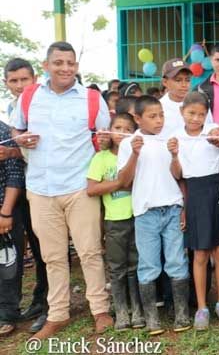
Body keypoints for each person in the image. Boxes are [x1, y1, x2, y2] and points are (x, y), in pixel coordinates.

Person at [12, 41, 112, 340]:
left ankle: (100, 310)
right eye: (58, 63)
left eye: (70, 63)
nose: (65, 68)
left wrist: (106, 143)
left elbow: (105, 138)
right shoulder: (30, 96)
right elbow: (17, 129)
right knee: (52, 256)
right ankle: (57, 314)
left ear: (76, 67)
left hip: (79, 186)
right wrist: (20, 139)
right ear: (46, 66)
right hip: (41, 188)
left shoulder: (92, 99)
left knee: (91, 251)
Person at [116, 95, 191, 335]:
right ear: (137, 118)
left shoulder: (168, 140)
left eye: (161, 115)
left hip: (172, 208)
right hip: (146, 213)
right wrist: (135, 154)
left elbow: (179, 175)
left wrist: (175, 155)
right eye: (152, 116)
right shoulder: (129, 143)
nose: (158, 120)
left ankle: (182, 313)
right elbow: (124, 180)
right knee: (148, 265)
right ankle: (152, 318)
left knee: (177, 262)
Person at [172, 92, 219, 330]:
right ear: (182, 112)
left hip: (218, 190)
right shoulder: (176, 138)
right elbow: (177, 175)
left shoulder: (214, 132)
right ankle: (201, 307)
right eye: (191, 113)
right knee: (199, 253)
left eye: (201, 114)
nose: (196, 118)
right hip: (195, 193)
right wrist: (174, 154)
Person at [1, 58, 48, 333]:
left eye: (24, 80)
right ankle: (39, 299)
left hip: (45, 186)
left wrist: (12, 152)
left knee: (46, 249)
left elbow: (43, 147)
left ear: (35, 79)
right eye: (14, 81)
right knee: (34, 244)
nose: (19, 85)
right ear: (6, 84)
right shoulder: (12, 109)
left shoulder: (40, 105)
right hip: (24, 189)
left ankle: (49, 305)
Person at [86, 113, 144, 330]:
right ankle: (121, 311)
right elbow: (92, 189)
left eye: (128, 129)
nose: (122, 132)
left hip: (138, 217)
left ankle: (137, 310)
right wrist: (120, 183)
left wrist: (119, 183)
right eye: (117, 127)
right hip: (114, 221)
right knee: (117, 267)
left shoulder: (140, 154)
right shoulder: (101, 158)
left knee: (136, 265)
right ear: (109, 131)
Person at [0, 118, 27, 337]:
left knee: (7, 264)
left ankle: (7, 314)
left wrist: (6, 212)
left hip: (4, 210)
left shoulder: (3, 131)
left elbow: (14, 174)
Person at [160, 58, 210, 137]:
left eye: (187, 80)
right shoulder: (159, 108)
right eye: (178, 80)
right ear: (165, 82)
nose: (184, 85)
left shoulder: (200, 103)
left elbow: (209, 130)